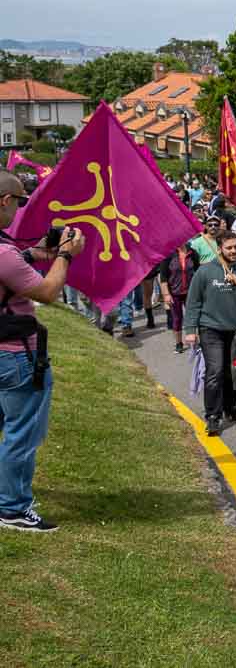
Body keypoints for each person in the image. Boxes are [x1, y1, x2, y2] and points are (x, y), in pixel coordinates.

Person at [0, 170, 86, 533]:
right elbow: (49, 292)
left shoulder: (7, 251)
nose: (19, 208)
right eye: (19, 200)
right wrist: (64, 255)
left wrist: (36, 253)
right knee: (23, 431)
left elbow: (13, 262)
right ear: (5, 201)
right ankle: (12, 507)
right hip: (16, 353)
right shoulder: (3, 254)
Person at [184, 231, 236, 436]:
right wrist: (190, 330)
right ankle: (212, 415)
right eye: (229, 248)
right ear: (219, 249)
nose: (234, 251)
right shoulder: (205, 271)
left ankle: (231, 407)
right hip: (210, 328)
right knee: (215, 371)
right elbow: (193, 302)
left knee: (232, 372)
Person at [159, 240, 200, 354]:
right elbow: (163, 278)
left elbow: (198, 272)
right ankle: (178, 343)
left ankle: (194, 342)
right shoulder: (168, 254)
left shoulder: (193, 253)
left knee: (193, 317)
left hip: (191, 292)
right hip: (174, 293)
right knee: (177, 318)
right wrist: (166, 294)